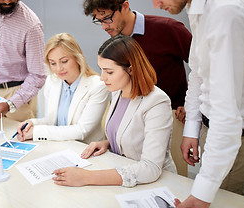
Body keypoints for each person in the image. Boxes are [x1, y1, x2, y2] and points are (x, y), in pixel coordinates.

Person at [127, 0, 244, 207]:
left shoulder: (225, 12)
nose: (155, 5)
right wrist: (192, 129)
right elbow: (198, 74)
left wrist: (201, 195)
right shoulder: (198, 3)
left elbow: (227, 116)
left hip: (237, 135)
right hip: (213, 126)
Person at [83, 0, 192, 177]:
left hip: (172, 114)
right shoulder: (115, 42)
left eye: (108, 18)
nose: (105, 26)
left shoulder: (168, 29)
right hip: (135, 117)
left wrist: (192, 102)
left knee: (173, 181)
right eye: (99, 21)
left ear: (125, 6)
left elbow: (203, 68)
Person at [52, 35, 176, 187]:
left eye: (109, 72)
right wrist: (108, 143)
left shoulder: (157, 102)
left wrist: (87, 177)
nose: (102, 78)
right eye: (101, 70)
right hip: (121, 173)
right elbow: (130, 132)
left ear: (131, 70)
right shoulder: (117, 90)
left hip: (153, 183)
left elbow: (150, 168)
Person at [16, 33, 109, 144]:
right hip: (60, 146)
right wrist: (32, 123)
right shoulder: (52, 81)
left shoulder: (97, 86)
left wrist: (37, 132)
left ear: (77, 58)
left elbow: (82, 131)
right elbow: (52, 121)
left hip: (86, 148)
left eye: (64, 61)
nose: (59, 68)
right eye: (53, 63)